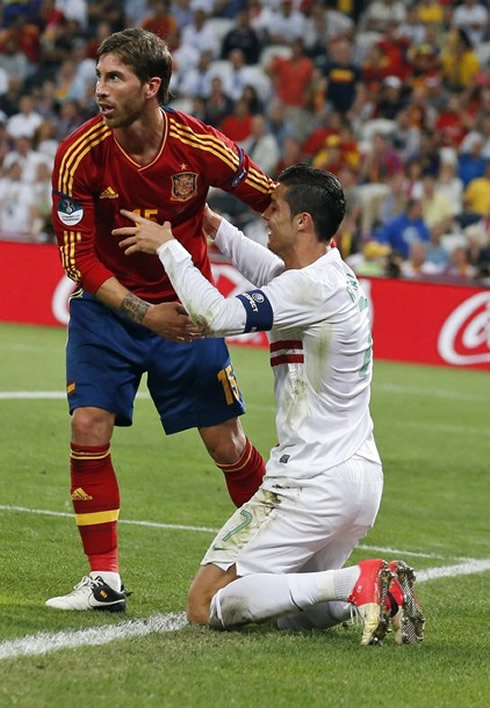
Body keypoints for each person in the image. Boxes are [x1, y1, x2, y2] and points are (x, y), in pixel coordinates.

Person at [113, 164, 425, 645]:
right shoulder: (328, 274)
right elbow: (263, 266)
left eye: (274, 206)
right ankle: (377, 594)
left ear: (303, 221)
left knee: (206, 603)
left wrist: (168, 247)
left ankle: (354, 581)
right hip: (359, 477)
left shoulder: (307, 288)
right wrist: (210, 222)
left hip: (312, 479)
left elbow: (215, 315)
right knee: (284, 608)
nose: (265, 212)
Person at [46, 28, 276, 612]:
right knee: (88, 426)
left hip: (190, 312)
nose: (99, 89)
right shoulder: (79, 153)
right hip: (111, 312)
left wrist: (311, 272)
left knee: (228, 445)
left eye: (114, 78)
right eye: (98, 76)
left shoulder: (201, 146)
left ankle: (280, 559)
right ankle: (104, 580)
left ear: (152, 87)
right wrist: (146, 314)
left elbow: (273, 200)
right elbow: (78, 259)